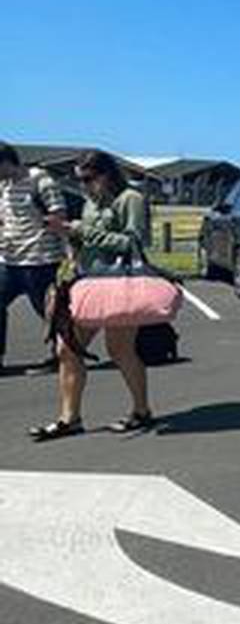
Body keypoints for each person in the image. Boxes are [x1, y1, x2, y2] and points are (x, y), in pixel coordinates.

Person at [29, 150, 158, 440]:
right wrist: (67, 235)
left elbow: (134, 242)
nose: (84, 186)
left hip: (118, 284)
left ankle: (142, 410)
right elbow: (84, 238)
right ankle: (69, 418)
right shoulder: (90, 203)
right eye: (79, 180)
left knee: (120, 350)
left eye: (88, 179)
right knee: (67, 348)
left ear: (107, 174)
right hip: (87, 281)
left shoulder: (131, 200)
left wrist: (81, 230)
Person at [0, 144, 66, 375]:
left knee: (48, 312)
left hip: (40, 258)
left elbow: (59, 215)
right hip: (10, 260)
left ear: (6, 162)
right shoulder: (4, 187)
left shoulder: (41, 181)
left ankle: (62, 357)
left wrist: (68, 255)